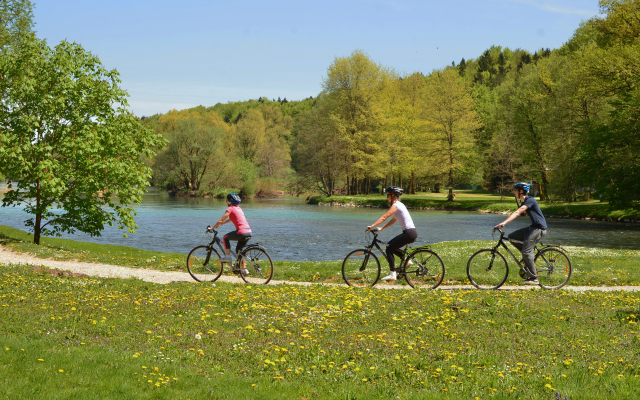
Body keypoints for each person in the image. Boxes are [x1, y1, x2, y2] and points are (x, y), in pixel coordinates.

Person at [494, 182, 548, 285]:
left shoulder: (530, 200)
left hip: (539, 229)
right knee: (511, 237)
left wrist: (503, 223)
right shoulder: (525, 202)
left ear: (521, 191)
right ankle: (526, 256)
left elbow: (517, 213)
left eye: (515, 191)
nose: (514, 193)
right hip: (533, 228)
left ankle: (533, 278)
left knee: (527, 252)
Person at [367, 186, 418, 281]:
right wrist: (381, 228)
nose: (387, 197)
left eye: (388, 195)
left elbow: (384, 217)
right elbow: (393, 220)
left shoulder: (396, 206)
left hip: (408, 233)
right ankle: (407, 261)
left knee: (389, 249)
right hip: (411, 232)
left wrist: (372, 226)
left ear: (393, 195)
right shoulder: (400, 205)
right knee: (390, 246)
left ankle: (392, 274)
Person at [208, 193, 252, 267]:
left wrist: (212, 228)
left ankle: (227, 257)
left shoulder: (230, 209)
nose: (226, 202)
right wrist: (223, 223)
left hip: (241, 232)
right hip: (248, 232)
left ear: (229, 201)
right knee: (239, 251)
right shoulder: (239, 208)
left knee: (225, 237)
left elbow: (220, 220)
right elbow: (231, 218)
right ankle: (243, 270)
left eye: (227, 200)